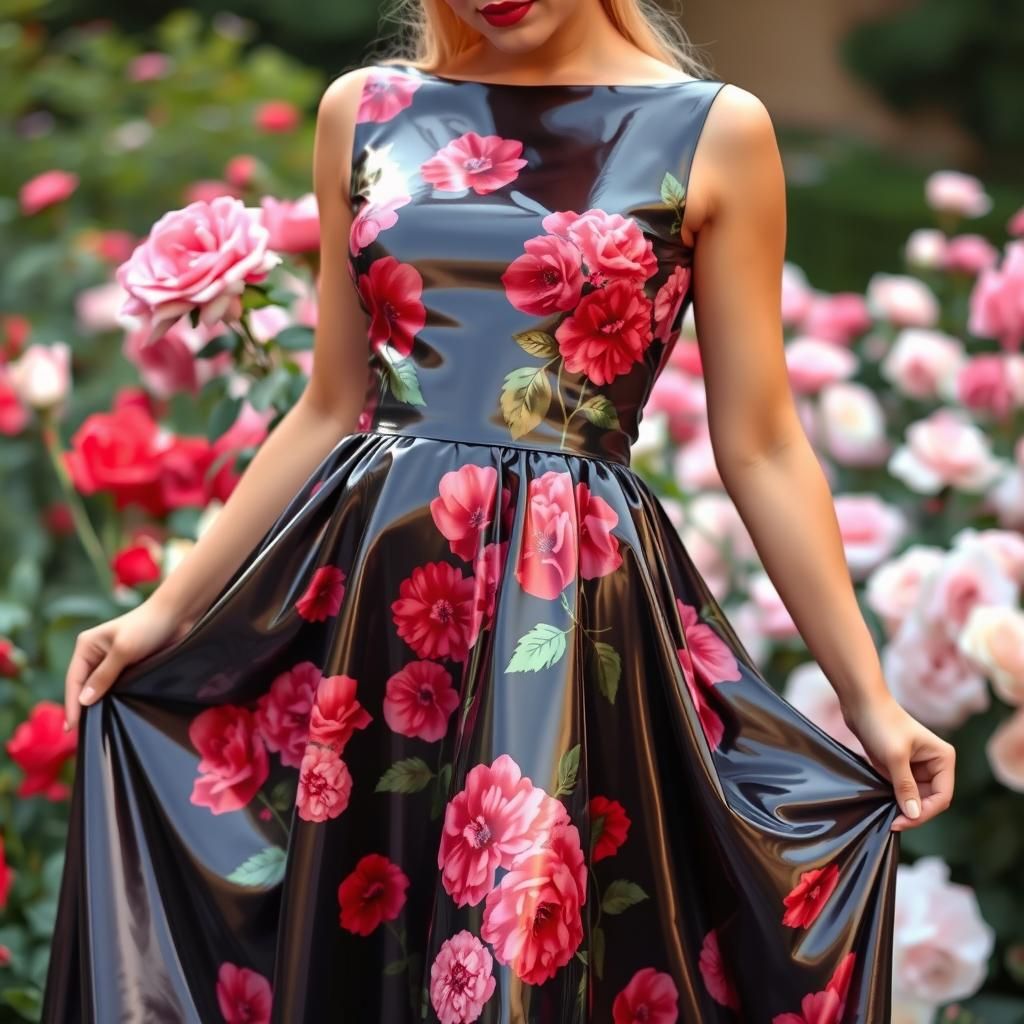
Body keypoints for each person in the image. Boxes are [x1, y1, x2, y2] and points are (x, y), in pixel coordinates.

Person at [43, 0, 956, 1021]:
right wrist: (163, 613)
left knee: (517, 943)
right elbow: (327, 404)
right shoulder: (366, 110)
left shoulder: (717, 130)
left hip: (564, 618)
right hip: (377, 613)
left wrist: (870, 701)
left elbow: (762, 444)